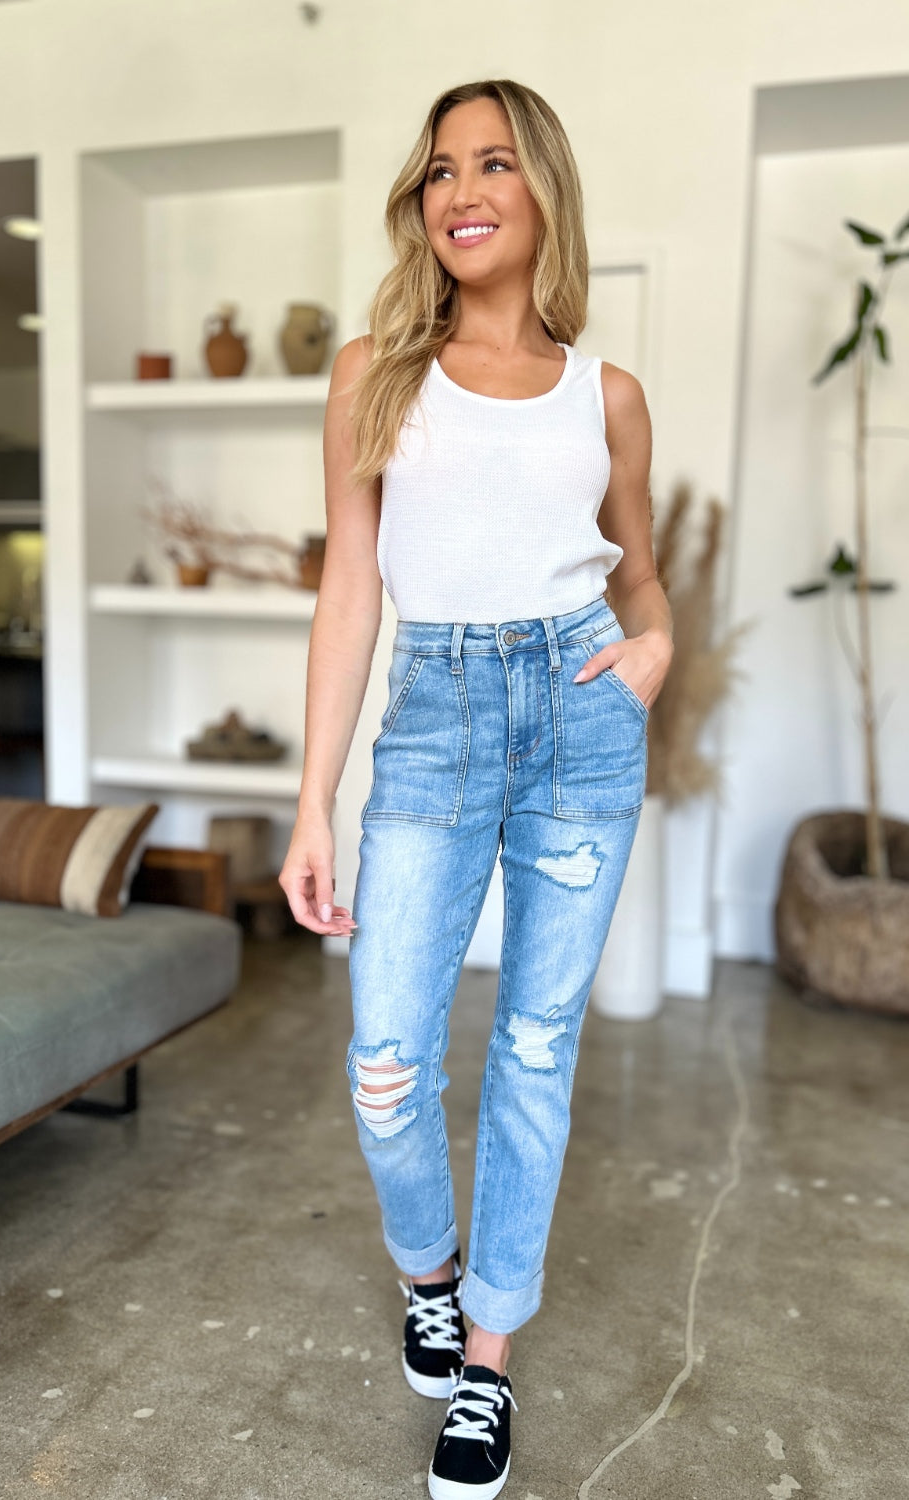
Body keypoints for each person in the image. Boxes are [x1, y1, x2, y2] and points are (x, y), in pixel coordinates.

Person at [280, 77, 674, 1500]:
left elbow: (637, 568)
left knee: (534, 1049)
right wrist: (314, 800)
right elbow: (346, 597)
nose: (462, 190)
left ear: (541, 190)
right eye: (442, 168)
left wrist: (658, 650)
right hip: (434, 721)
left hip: (578, 721)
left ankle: (487, 1363)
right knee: (387, 1059)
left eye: (494, 163)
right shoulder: (375, 368)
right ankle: (428, 1275)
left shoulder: (606, 395)